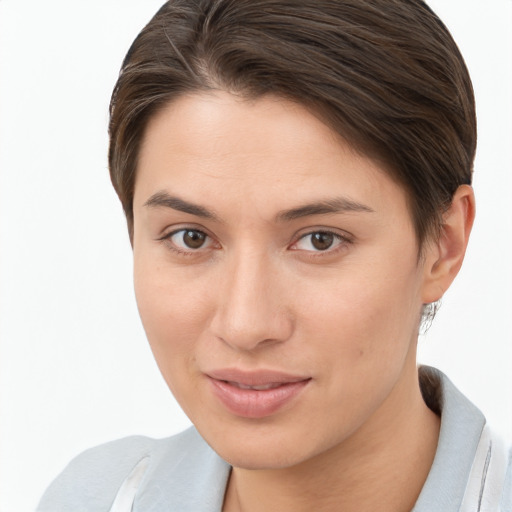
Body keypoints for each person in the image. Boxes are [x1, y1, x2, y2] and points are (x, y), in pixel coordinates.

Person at [37, 0, 511, 510]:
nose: (245, 324)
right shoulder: (93, 496)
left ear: (443, 245)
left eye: (320, 240)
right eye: (190, 237)